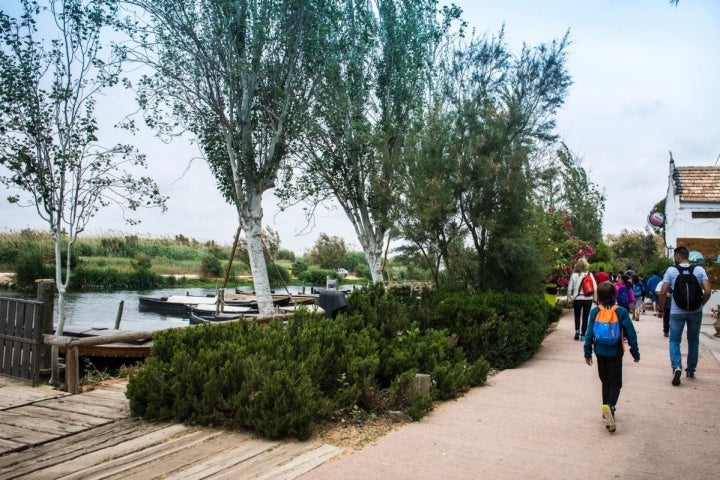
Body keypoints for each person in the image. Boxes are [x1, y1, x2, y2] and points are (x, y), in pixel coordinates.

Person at [584, 281, 640, 433]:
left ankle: (607, 412)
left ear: (599, 297)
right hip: (615, 352)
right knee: (616, 383)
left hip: (600, 351)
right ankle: (610, 407)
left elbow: (589, 333)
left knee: (605, 381)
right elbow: (631, 333)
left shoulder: (595, 311)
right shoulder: (620, 312)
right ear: (614, 296)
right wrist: (635, 352)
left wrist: (587, 352)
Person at [658, 246, 712, 385]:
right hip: (695, 311)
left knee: (674, 341)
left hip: (677, 311)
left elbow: (663, 292)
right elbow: (707, 291)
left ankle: (676, 367)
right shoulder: (699, 270)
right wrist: (700, 304)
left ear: (677, 256)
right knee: (693, 340)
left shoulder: (672, 270)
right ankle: (691, 370)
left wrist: (661, 308)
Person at [567, 257, 598, 341]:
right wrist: (595, 299)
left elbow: (569, 288)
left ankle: (577, 331)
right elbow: (595, 288)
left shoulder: (574, 275)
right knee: (585, 316)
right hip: (588, 298)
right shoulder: (589, 274)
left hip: (577, 298)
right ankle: (583, 335)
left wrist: (570, 299)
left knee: (577, 316)